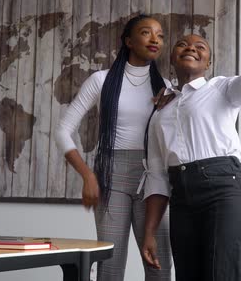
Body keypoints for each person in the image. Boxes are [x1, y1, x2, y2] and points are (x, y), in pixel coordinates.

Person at [140, 0, 241, 281]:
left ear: (208, 63)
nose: (191, 47)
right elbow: (157, 176)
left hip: (225, 190)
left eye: (201, 47)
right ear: (171, 57)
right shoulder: (159, 112)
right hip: (181, 199)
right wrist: (149, 233)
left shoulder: (221, 88)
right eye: (182, 44)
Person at [55, 14, 172, 281]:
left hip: (153, 179)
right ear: (128, 41)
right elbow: (62, 130)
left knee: (160, 266)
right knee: (110, 266)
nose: (155, 39)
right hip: (111, 177)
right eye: (146, 32)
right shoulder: (101, 80)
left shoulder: (165, 88)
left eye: (160, 35)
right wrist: (87, 175)